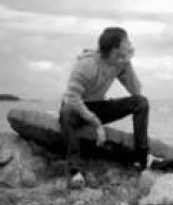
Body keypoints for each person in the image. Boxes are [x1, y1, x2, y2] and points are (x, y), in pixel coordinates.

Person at [59, 27, 149, 188]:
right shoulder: (87, 64)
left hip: (98, 105)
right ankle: (75, 171)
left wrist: (127, 63)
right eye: (127, 42)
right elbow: (71, 97)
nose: (130, 44)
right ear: (115, 49)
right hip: (76, 107)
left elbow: (136, 91)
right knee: (66, 113)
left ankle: (140, 159)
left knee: (141, 102)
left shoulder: (119, 63)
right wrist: (96, 124)